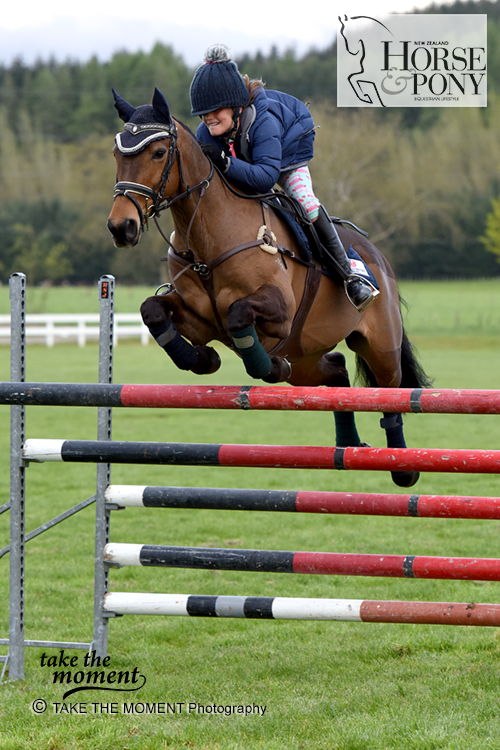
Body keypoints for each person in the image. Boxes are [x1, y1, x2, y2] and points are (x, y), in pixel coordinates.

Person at [189, 44, 378, 312]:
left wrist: (226, 162)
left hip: (286, 152)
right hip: (247, 159)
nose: (208, 117)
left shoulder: (263, 122)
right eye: (203, 112)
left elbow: (266, 177)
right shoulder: (206, 131)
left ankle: (350, 276)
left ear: (235, 106)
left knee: (306, 203)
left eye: (215, 109)